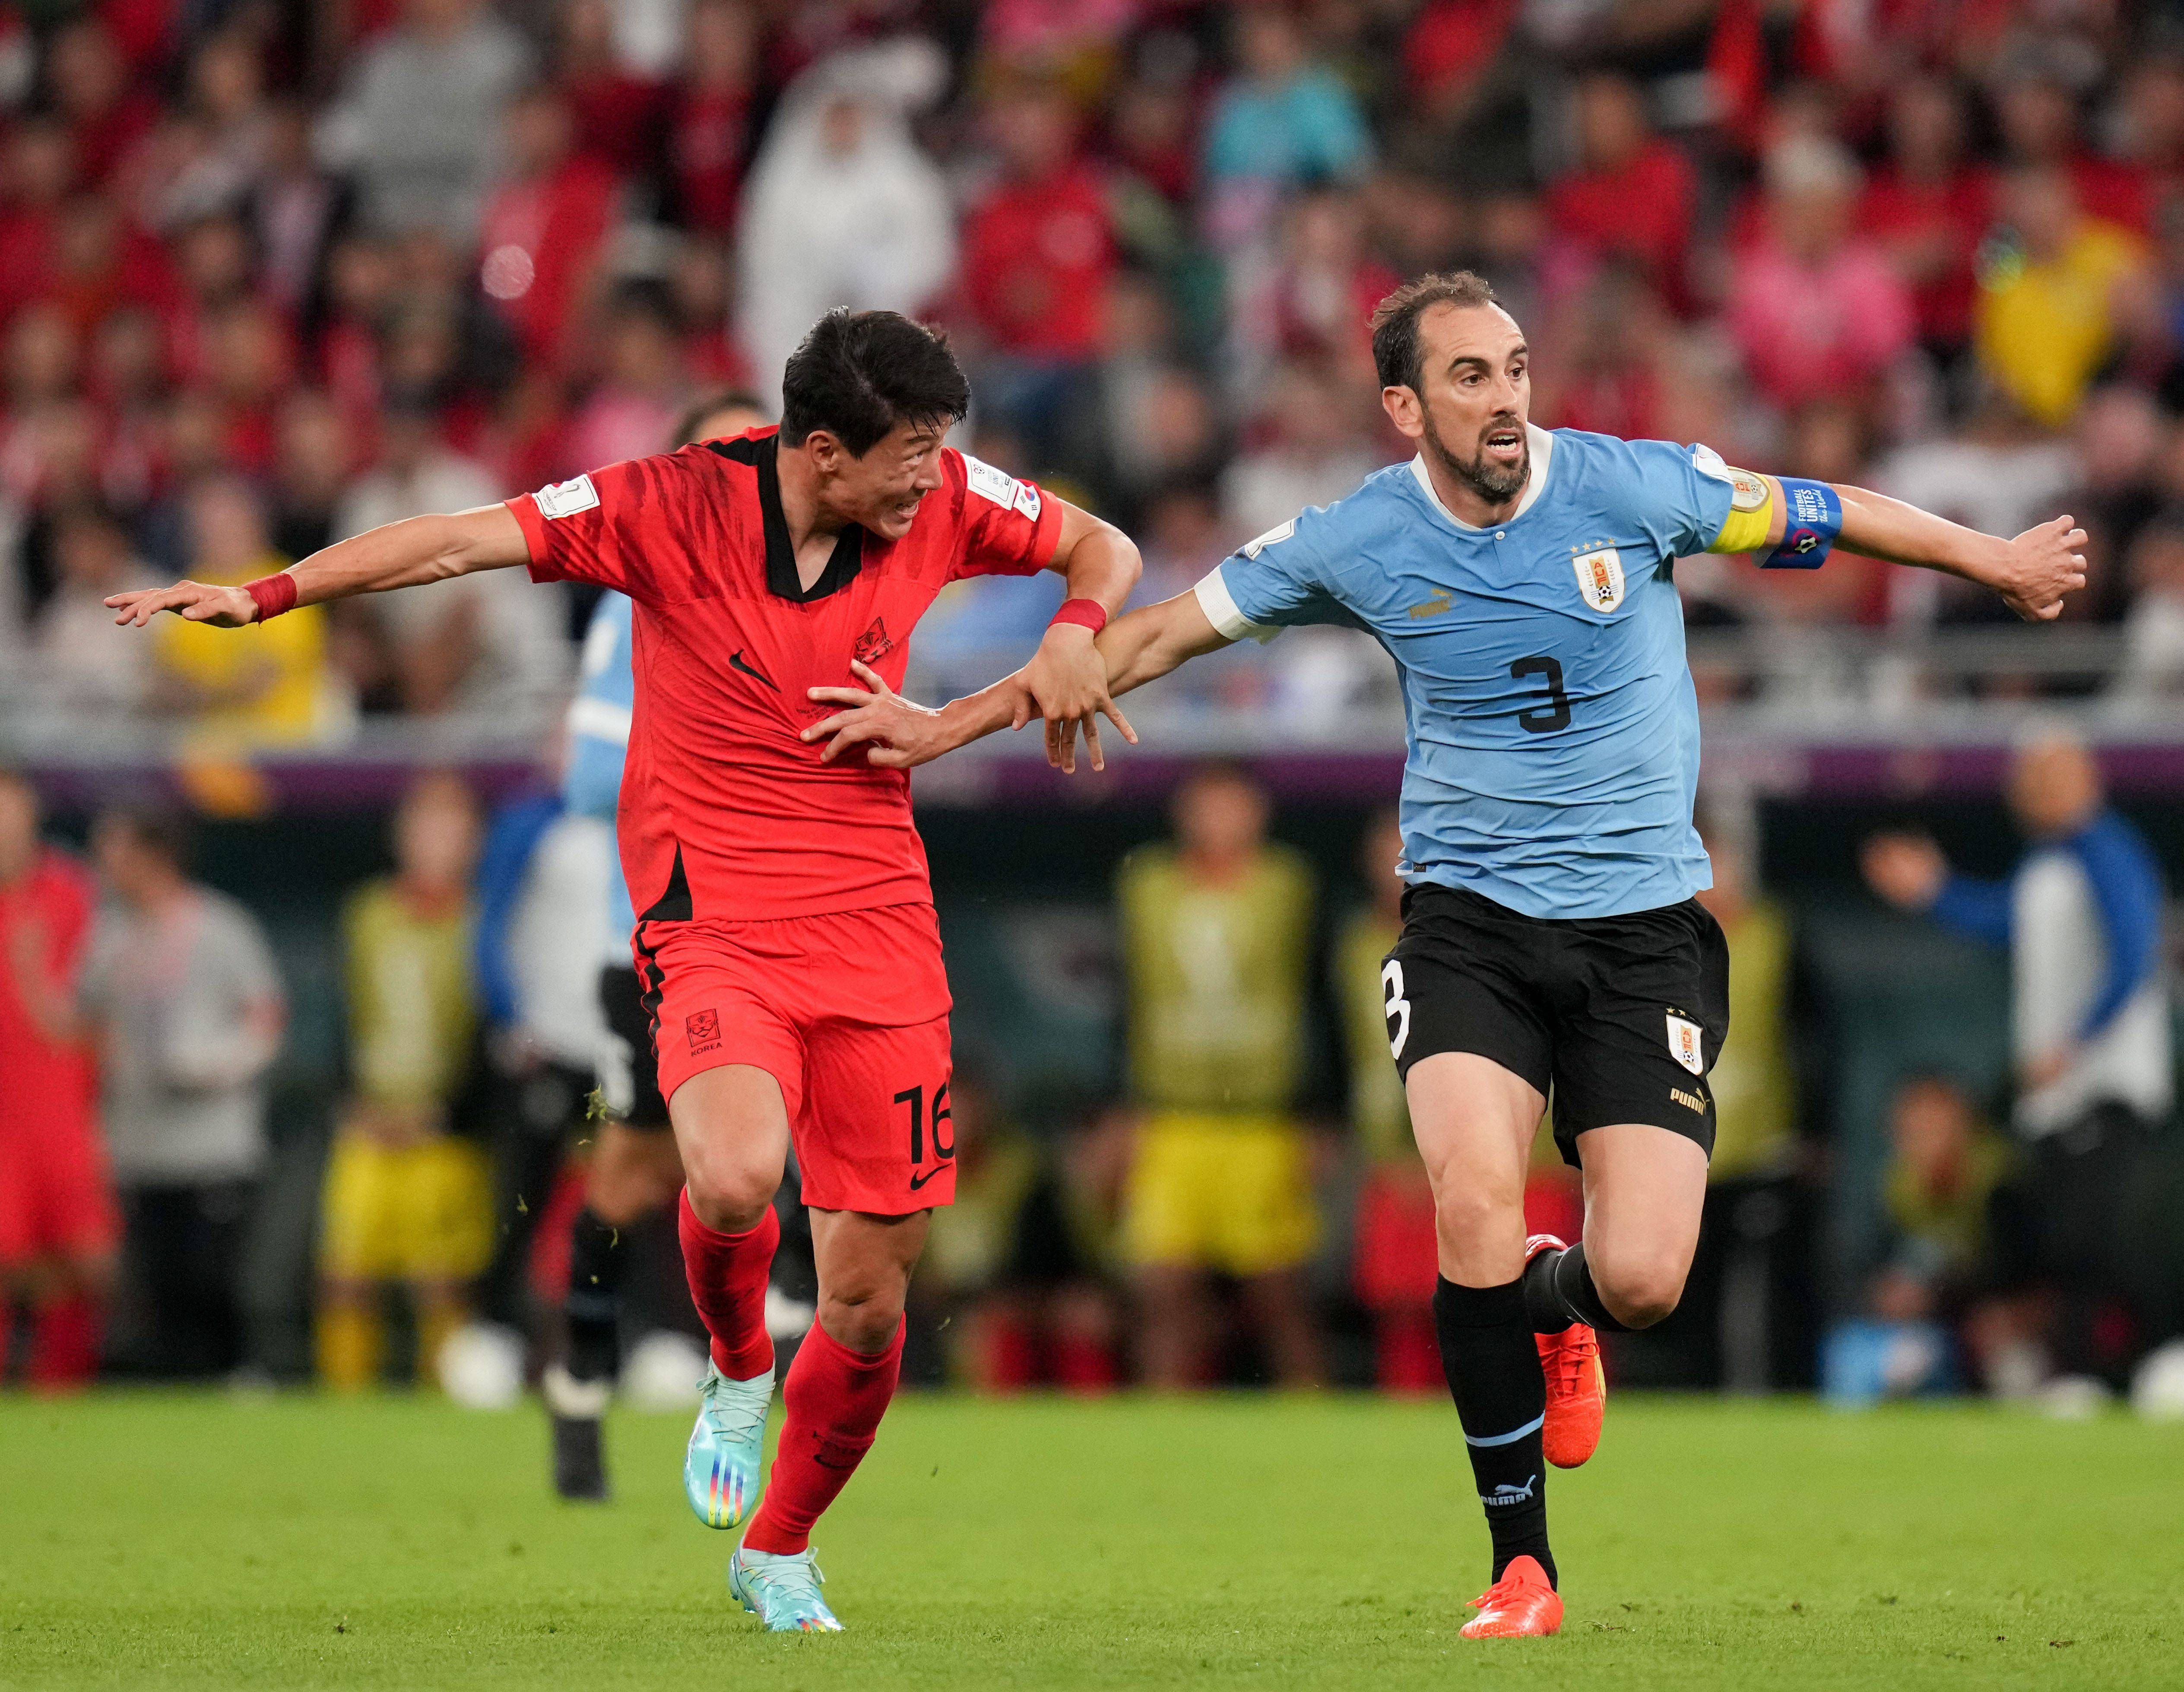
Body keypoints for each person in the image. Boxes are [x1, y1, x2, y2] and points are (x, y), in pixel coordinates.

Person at [799, 270, 2086, 1636]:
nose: (1508, 398)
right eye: (1471, 375)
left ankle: (1559, 1293)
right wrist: (952, 721)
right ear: (1405, 403)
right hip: (1466, 923)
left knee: (1642, 1275)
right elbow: (1166, 629)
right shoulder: (1357, 536)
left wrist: (1993, 558)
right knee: (1470, 1195)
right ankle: (1521, 1564)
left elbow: (1832, 512)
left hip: (1642, 932)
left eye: (1517, 366)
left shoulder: (1640, 490)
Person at [105, 308, 1140, 1631]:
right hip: (711, 915)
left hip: (880, 919)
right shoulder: (663, 505)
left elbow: (1097, 544)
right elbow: (457, 538)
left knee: (874, 1302)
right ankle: (736, 1365)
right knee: (728, 1169)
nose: (933, 479)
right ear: (823, 450)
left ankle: (779, 1545)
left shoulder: (938, 491)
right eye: (912, 455)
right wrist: (266, 594)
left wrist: (1077, 625)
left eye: (943, 452)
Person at [544, 387, 770, 1502]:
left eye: (752, 450)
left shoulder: (813, 587)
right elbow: (586, 778)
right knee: (633, 1172)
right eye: (714, 452)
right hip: (658, 941)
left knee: (794, 1155)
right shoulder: (636, 597)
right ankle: (580, 1386)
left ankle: (767, 1377)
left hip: (786, 933)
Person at [1861, 726, 2171, 1385]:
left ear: (2083, 777)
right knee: (2054, 1239)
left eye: (2045, 773)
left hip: (2106, 1087)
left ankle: (2120, 1368)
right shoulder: (2047, 864)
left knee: (2095, 1241)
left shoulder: (2107, 849)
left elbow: (2135, 948)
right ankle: (2078, 1371)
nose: (2027, 788)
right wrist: (1933, 890)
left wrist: (2077, 1041)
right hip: (2058, 1096)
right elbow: (2002, 919)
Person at [1113, 764, 1323, 1389]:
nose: (1221, 821)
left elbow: (1317, 998)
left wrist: (1319, 1116)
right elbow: (1127, 999)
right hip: (1172, 1117)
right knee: (1161, 1286)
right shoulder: (1147, 886)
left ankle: (1313, 1425)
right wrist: (1116, 1109)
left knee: (1277, 1292)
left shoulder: (1288, 885)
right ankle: (1163, 1431)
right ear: (1185, 815)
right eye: (1208, 807)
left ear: (1258, 814)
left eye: (1234, 807)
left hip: (1261, 1120)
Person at [82, 808, 284, 1378]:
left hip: (211, 1141)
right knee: (156, 1283)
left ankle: (239, 1375)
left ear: (155, 856)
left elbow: (267, 1018)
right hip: (137, 1141)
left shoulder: (221, 926)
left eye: (116, 852)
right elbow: (77, 1019)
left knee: (211, 1275)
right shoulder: (110, 934)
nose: (106, 867)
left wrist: (217, 1064)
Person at [316, 774, 492, 1391]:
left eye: (452, 827)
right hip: (369, 1118)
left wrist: (448, 1113)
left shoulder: (482, 920)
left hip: (443, 1129)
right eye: (424, 825)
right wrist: (349, 1100)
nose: (436, 841)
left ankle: (445, 1396)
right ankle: (344, 1405)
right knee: (345, 1271)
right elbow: (344, 1012)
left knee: (441, 1276)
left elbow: (489, 1025)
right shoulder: (367, 914)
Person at [0, 769, 113, 1387]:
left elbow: (94, 1009)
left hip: (62, 1101)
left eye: (11, 816)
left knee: (85, 1257)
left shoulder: (72, 892)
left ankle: (63, 1385)